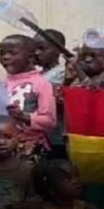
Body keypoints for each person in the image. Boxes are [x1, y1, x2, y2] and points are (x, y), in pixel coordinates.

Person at [0, 34, 57, 163]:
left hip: (31, 150)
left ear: (30, 57)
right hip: (4, 150)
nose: (5, 57)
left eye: (12, 53)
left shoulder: (41, 84)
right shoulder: (2, 84)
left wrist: (24, 117)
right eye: (1, 53)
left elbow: (50, 121)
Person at [19, 159, 104, 209]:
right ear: (50, 188)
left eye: (76, 176)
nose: (76, 181)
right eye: (68, 179)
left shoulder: (83, 207)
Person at [34, 30, 69, 160]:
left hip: (58, 139)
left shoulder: (62, 73)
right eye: (34, 48)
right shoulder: (38, 74)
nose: (36, 52)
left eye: (42, 48)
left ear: (58, 50)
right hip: (42, 138)